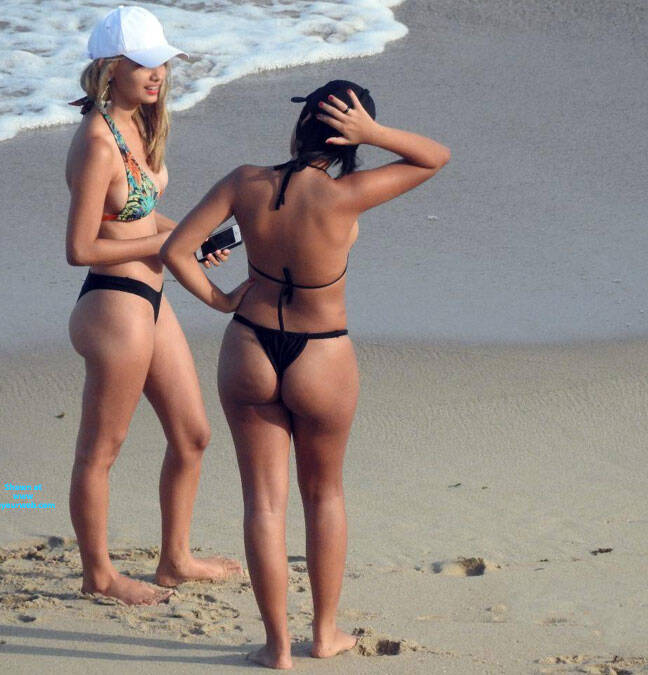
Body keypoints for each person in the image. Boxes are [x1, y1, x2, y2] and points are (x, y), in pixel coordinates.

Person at [161, 80, 450, 667]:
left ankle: (276, 647)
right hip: (321, 354)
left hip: (249, 345)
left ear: (299, 128)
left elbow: (174, 251)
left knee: (263, 503)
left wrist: (220, 300)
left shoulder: (245, 182)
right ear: (350, 138)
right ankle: (323, 634)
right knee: (324, 495)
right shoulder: (349, 194)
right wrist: (375, 133)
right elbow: (435, 156)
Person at [65, 6, 241, 606]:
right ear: (111, 68)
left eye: (162, 62)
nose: (158, 73)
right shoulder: (97, 142)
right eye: (144, 63)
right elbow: (80, 247)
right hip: (113, 306)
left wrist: (189, 238)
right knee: (100, 453)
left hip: (150, 300)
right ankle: (99, 576)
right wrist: (167, 246)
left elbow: (137, 217)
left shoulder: (138, 126)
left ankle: (175, 560)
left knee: (193, 435)